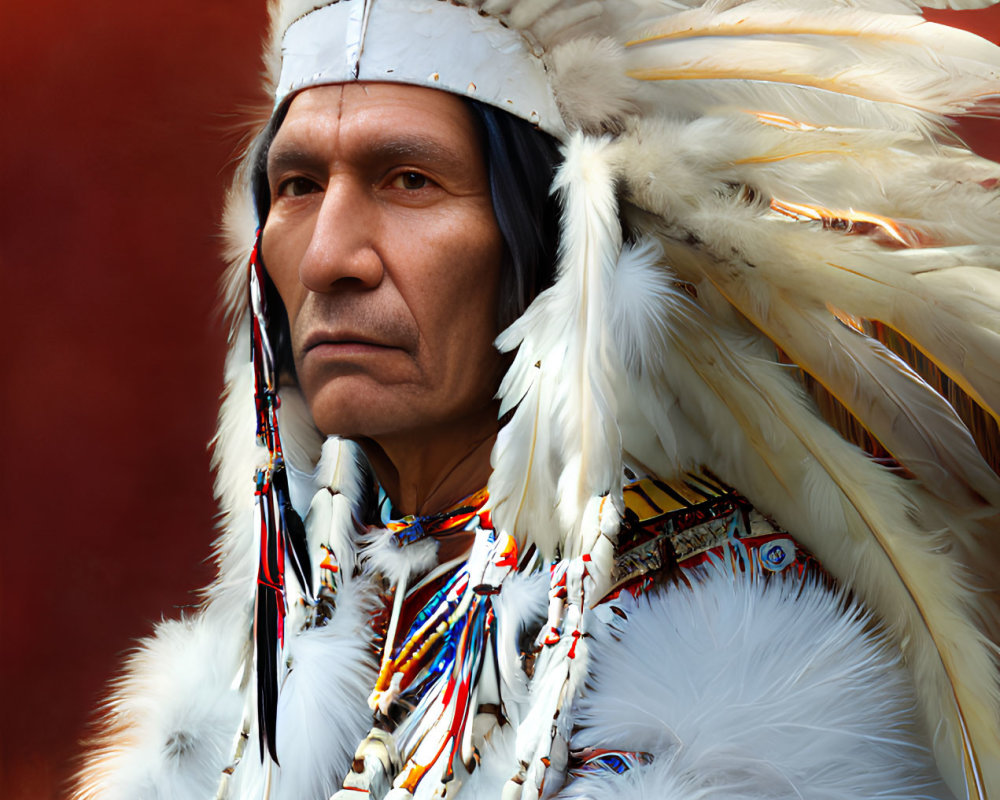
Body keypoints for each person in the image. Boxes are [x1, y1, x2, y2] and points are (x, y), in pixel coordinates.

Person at [72, 0, 1000, 798]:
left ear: (560, 246)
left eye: (409, 181)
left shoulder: (722, 713)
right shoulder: (288, 671)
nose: (326, 260)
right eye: (299, 185)